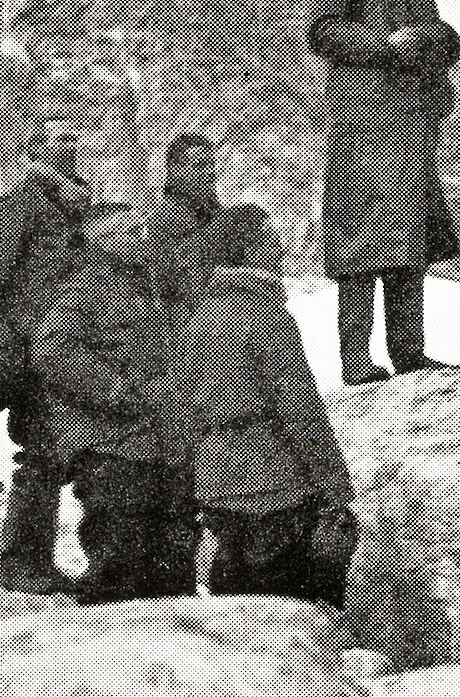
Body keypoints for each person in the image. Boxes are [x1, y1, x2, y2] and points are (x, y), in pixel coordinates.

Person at [308, 0, 460, 385]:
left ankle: (409, 352)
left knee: (411, 238)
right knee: (358, 243)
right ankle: (356, 362)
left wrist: (441, 43)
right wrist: (389, 44)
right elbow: (323, 31)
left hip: (413, 119)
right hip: (360, 122)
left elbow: (432, 37)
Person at [174, 231, 356, 605]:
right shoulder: (266, 316)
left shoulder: (193, 317)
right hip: (274, 479)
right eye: (269, 242)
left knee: (237, 601)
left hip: (214, 480)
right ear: (249, 252)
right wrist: (335, 484)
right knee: (292, 599)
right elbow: (300, 410)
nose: (280, 251)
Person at [31, 205, 196, 605]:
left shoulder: (156, 285)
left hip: (166, 445)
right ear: (99, 239)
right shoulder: (81, 287)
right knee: (119, 562)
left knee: (174, 564)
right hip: (112, 448)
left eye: (143, 229)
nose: (144, 237)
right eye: (132, 231)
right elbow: (50, 352)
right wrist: (113, 389)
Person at [0, 116, 92, 594]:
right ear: (37, 149)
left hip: (69, 352)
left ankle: (34, 560)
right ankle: (22, 563)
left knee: (63, 454)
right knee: (42, 455)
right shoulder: (18, 207)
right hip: (29, 350)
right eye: (61, 138)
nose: (73, 146)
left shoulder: (75, 209)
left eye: (77, 136)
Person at [147, 133, 274, 319]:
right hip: (189, 319)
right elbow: (186, 283)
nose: (210, 172)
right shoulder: (165, 218)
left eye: (211, 165)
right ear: (175, 170)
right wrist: (246, 277)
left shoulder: (213, 213)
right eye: (200, 166)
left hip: (226, 307)